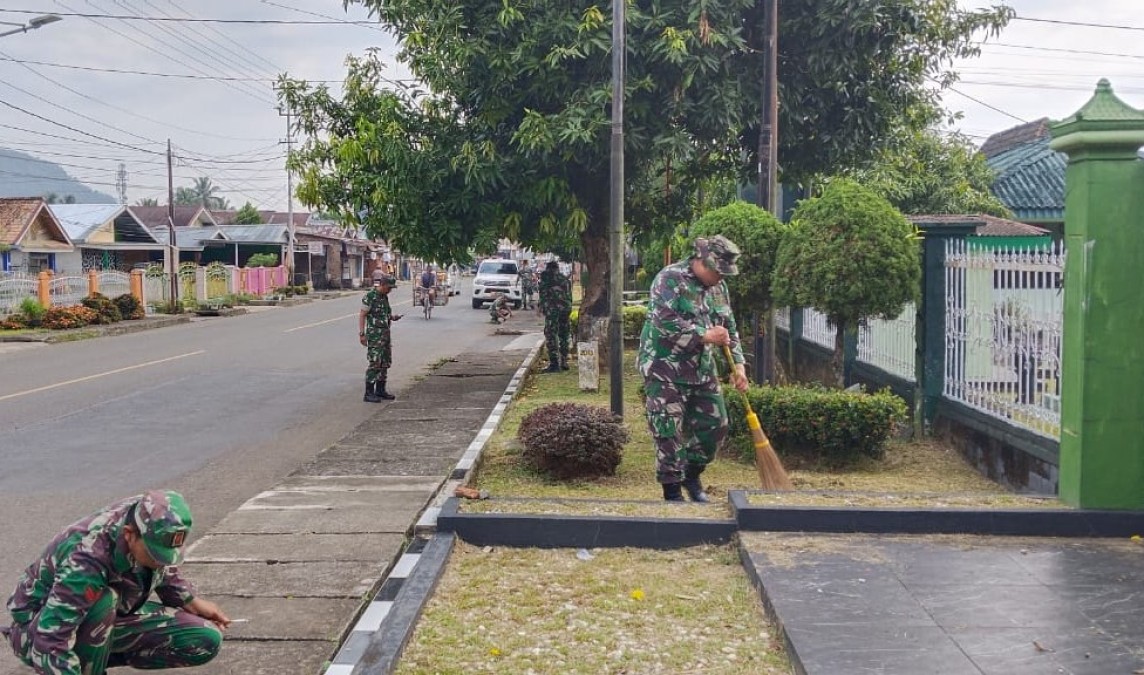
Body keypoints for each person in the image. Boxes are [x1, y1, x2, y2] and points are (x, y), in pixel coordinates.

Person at [3, 490, 229, 674]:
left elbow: (162, 564)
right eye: (155, 555)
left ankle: (90, 661)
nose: (161, 563)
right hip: (38, 631)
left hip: (102, 618)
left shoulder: (152, 517)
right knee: (104, 600)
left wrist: (189, 600)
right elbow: (51, 640)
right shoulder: (86, 559)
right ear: (129, 534)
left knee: (203, 638)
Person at [637, 235, 750, 503]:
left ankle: (691, 473)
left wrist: (739, 366)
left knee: (716, 425)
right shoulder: (669, 279)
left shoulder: (719, 288)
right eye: (717, 271)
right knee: (668, 431)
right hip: (664, 367)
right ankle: (672, 492)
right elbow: (665, 321)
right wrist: (705, 335)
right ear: (701, 261)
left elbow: (728, 327)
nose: (720, 277)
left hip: (700, 369)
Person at [360, 270, 403, 402]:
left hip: (385, 335)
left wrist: (393, 317)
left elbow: (385, 314)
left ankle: (380, 390)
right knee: (375, 363)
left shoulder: (384, 297)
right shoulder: (370, 296)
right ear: (383, 284)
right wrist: (362, 334)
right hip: (375, 337)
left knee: (385, 363)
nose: (390, 290)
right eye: (389, 288)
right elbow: (362, 315)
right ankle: (368, 393)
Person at [537, 260, 572, 373]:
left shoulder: (546, 278)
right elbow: (569, 295)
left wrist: (541, 307)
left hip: (552, 310)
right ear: (557, 268)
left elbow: (543, 294)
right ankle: (564, 361)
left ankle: (554, 364)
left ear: (548, 268)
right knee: (564, 335)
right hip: (565, 309)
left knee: (551, 334)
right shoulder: (564, 279)